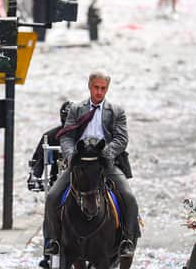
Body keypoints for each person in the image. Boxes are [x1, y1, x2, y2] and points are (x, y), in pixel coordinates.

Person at [44, 71, 139, 259]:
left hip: (104, 163)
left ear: (107, 89)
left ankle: (127, 239)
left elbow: (121, 138)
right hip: (80, 163)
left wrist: (106, 154)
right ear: (90, 86)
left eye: (103, 88)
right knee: (53, 196)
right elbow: (67, 136)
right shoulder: (76, 109)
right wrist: (72, 156)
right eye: (96, 87)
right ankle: (53, 240)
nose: (99, 92)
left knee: (128, 197)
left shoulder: (116, 111)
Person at [28, 101, 73, 192]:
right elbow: (39, 159)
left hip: (83, 182)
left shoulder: (85, 135)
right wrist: (35, 176)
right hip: (57, 181)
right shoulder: (51, 135)